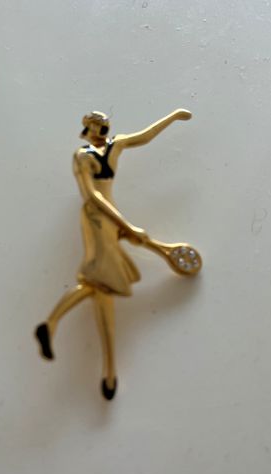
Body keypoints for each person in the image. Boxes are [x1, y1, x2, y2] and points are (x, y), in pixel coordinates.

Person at [35, 108, 192, 400]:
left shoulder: (116, 145)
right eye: (99, 126)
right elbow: (92, 197)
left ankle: (85, 350)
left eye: (105, 125)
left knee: (101, 287)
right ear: (89, 129)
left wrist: (172, 117)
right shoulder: (81, 157)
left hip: (111, 219)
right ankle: (100, 363)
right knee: (101, 283)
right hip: (97, 219)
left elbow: (145, 136)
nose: (104, 129)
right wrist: (125, 225)